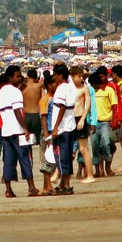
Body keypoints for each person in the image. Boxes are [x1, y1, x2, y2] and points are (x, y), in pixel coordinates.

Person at [0, 65, 39, 198]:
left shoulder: (3, 90)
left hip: (6, 131)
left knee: (9, 160)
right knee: (25, 158)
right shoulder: (15, 92)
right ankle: (31, 187)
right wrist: (25, 128)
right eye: (17, 76)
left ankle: (8, 189)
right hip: (17, 130)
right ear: (10, 77)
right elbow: (17, 111)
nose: (20, 78)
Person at [50, 63, 77, 195]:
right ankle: (64, 183)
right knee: (66, 156)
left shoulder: (62, 88)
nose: (53, 77)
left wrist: (55, 128)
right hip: (69, 125)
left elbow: (61, 107)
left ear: (60, 75)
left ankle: (65, 184)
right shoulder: (71, 87)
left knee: (61, 157)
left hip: (62, 128)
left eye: (55, 75)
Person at [71, 67, 96, 184]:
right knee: (66, 148)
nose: (81, 79)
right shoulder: (68, 88)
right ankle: (59, 173)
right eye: (79, 76)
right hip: (70, 119)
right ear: (72, 76)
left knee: (83, 148)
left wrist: (82, 119)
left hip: (80, 118)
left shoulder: (85, 88)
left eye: (82, 76)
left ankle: (90, 175)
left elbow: (88, 105)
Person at [39, 75, 58, 195]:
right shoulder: (46, 99)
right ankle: (47, 186)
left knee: (52, 160)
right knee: (48, 160)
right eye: (55, 83)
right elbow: (43, 117)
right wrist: (46, 134)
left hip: (54, 131)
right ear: (49, 85)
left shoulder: (55, 98)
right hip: (49, 132)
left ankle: (48, 186)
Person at [22, 68, 43, 148]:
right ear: (36, 77)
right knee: (39, 142)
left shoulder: (23, 86)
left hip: (26, 115)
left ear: (28, 76)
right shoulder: (38, 86)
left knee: (27, 142)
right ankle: (41, 160)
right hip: (36, 115)